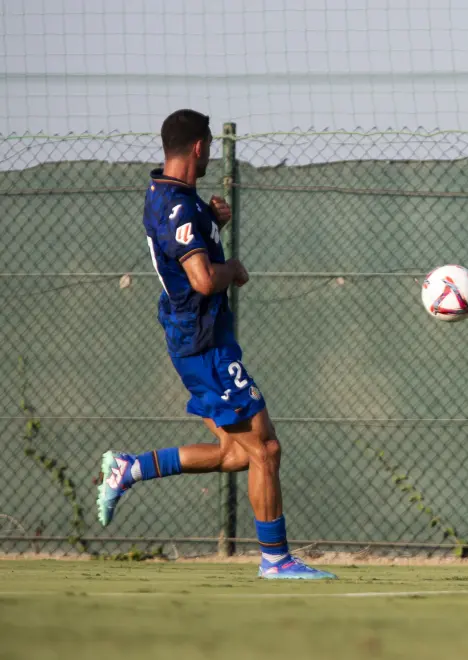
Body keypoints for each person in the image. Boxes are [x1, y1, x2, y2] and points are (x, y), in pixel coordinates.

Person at [96, 109, 336, 579]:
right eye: (210, 147)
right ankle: (276, 560)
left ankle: (130, 469)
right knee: (264, 450)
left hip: (200, 337)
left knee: (236, 452)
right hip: (203, 343)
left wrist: (213, 221)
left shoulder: (171, 196)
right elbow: (204, 279)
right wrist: (235, 269)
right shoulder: (177, 205)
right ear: (201, 148)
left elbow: (184, 246)